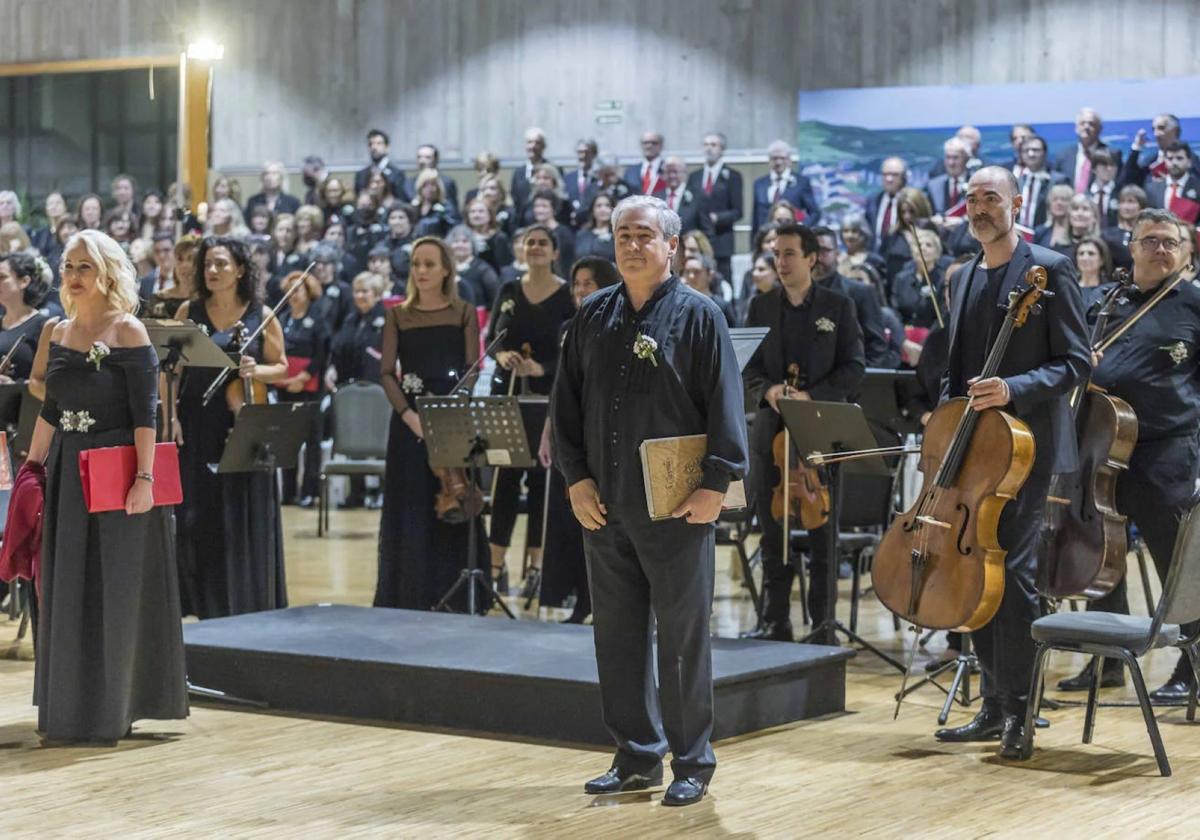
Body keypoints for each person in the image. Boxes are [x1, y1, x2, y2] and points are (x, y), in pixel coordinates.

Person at [553, 194, 748, 806]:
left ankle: (692, 761)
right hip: (604, 504)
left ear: (673, 246)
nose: (632, 246)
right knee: (616, 634)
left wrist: (716, 484)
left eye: (644, 236)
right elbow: (566, 409)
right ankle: (636, 755)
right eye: (622, 235)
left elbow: (725, 407)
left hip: (677, 505)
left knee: (684, 636)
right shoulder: (591, 316)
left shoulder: (699, 315)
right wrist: (576, 478)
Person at [932, 166, 1090, 760]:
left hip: (1027, 448)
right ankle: (992, 704)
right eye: (972, 199)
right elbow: (956, 369)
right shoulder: (965, 275)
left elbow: (1075, 362)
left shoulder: (1049, 268)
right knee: (977, 573)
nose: (980, 208)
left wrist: (1013, 387)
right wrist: (945, 424)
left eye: (991, 198)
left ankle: (1022, 711)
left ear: (1016, 203)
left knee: (1014, 576)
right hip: (972, 449)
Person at [25, 229, 187, 743]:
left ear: (106, 273)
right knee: (68, 584)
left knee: (114, 587)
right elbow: (51, 407)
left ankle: (117, 705)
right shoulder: (57, 330)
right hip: (69, 469)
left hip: (117, 468)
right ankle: (71, 704)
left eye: (84, 268)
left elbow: (148, 415)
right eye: (68, 267)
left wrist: (144, 479)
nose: (72, 277)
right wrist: (32, 466)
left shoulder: (129, 331)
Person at [1055, 209, 1199, 703]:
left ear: (1185, 251)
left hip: (1166, 451)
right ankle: (1106, 657)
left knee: (1177, 564)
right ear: (1131, 246)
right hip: (1099, 445)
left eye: (1171, 242)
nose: (1161, 249)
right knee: (1100, 554)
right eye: (1151, 240)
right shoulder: (1101, 302)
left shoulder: (1194, 305)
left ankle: (1193, 665)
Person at [741, 223, 864, 642]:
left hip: (821, 432)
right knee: (773, 533)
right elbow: (748, 369)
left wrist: (814, 395)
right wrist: (770, 391)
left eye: (790, 253)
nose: (781, 261)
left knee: (821, 533)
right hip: (770, 434)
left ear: (812, 258)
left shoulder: (839, 306)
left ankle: (823, 625)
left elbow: (855, 367)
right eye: (777, 253)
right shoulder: (759, 307)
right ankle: (775, 621)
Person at [172, 236, 290, 619]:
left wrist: (257, 370)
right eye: (207, 264)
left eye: (221, 264)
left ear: (240, 269)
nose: (212, 271)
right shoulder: (189, 311)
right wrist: (170, 417)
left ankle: (248, 600)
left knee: (241, 513)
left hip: (244, 421)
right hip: (196, 420)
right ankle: (204, 603)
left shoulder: (261, 313)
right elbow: (170, 370)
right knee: (198, 514)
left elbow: (283, 367)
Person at [374, 237, 485, 611]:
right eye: (416, 264)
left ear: (446, 270)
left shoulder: (464, 312)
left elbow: (473, 369)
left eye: (429, 264)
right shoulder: (398, 315)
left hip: (451, 418)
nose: (420, 271)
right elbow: (387, 373)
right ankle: (409, 593)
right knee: (411, 504)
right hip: (409, 421)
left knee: (454, 499)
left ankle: (453, 592)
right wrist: (409, 416)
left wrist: (456, 404)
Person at [485, 224, 575, 598]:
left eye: (543, 243)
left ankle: (537, 569)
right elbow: (493, 338)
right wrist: (501, 355)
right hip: (507, 396)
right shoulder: (508, 289)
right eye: (530, 243)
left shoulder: (568, 294)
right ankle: (494, 567)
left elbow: (572, 349)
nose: (535, 247)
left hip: (546, 399)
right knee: (503, 484)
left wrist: (544, 368)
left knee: (541, 484)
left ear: (555, 252)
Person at [537, 257, 621, 622]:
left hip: (602, 434)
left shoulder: (618, 324)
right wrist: (548, 431)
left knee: (599, 520)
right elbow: (561, 387)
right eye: (577, 284)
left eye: (589, 282)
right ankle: (578, 600)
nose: (581, 290)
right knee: (568, 521)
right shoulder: (567, 328)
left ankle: (599, 601)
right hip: (570, 434)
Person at [274, 270, 330, 508]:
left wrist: (304, 376)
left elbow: (323, 352)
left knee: (312, 440)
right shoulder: (283, 318)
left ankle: (310, 491)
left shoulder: (318, 319)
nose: (293, 294)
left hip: (309, 385)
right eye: (290, 290)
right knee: (288, 438)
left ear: (308, 292)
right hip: (286, 384)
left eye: (298, 289)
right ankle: (289, 491)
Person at [812, 226, 898, 368]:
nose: (818, 258)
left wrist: (861, 380)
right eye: (812, 251)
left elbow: (876, 347)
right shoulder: (791, 293)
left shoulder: (861, 292)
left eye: (824, 250)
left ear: (838, 254)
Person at [686, 132, 743, 282]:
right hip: (699, 241)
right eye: (706, 145)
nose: (709, 149)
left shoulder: (733, 176)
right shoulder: (694, 177)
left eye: (713, 145)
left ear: (722, 149)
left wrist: (718, 218)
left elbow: (738, 211)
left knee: (723, 282)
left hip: (721, 240)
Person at [752, 140, 820, 241]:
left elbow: (815, 213)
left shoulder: (801, 183)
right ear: (769, 160)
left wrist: (800, 228)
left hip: (792, 239)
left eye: (782, 158)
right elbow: (755, 218)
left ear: (789, 160)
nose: (778, 162)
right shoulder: (759, 184)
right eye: (775, 158)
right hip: (766, 241)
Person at [0, 252, 52, 383]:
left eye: (2, 277)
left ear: (24, 281)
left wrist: (13, 385)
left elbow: (49, 381)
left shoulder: (44, 326)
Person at [891, 226, 951, 328]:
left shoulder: (943, 279)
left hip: (933, 336)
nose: (923, 248)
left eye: (928, 245)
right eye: (918, 245)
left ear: (937, 252)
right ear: (912, 251)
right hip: (905, 336)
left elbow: (944, 314)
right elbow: (895, 311)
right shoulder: (901, 279)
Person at [1055, 108, 1122, 192]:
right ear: (1076, 128)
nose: (1086, 127)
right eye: (1082, 124)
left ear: (1100, 129)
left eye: (1091, 124)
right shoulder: (1063, 155)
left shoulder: (1111, 154)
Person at [1016, 136, 1068, 229]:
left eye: (1035, 150)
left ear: (1044, 153)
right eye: (1026, 150)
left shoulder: (1058, 180)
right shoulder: (1017, 180)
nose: (1031, 154)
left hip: (1045, 235)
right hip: (1020, 234)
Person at [446, 224, 500, 311]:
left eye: (465, 241)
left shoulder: (483, 269)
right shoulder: (443, 269)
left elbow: (496, 299)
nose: (460, 245)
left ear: (472, 245)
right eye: (456, 241)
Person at [1146, 142, 1200, 225]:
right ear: (1165, 162)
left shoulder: (1198, 188)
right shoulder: (1152, 189)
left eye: (1179, 158)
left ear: (1189, 162)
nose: (1174, 163)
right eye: (1170, 159)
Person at [682, 253, 736, 327]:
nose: (691, 276)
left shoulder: (721, 306)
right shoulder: (680, 305)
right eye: (687, 272)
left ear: (710, 275)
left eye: (696, 272)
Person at [865, 157, 908, 249]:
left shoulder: (910, 202)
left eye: (894, 175)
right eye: (885, 174)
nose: (889, 179)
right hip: (875, 259)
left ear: (904, 177)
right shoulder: (873, 201)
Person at [463, 196, 513, 272]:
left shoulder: (499, 238)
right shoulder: (463, 237)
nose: (476, 215)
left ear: (490, 215)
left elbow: (504, 266)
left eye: (481, 211)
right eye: (472, 212)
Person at [354, 128, 406, 201]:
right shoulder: (361, 174)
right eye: (370, 144)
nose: (374, 147)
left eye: (379, 143)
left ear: (387, 148)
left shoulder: (397, 174)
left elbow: (400, 200)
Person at [511, 127, 552, 218]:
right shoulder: (518, 172)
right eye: (529, 142)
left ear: (543, 146)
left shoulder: (553, 170)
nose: (533, 146)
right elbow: (515, 200)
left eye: (537, 143)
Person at [652, 156, 700, 233]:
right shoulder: (655, 198)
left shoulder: (698, 197)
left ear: (684, 173)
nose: (672, 176)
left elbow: (707, 231)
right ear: (663, 175)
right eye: (668, 172)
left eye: (675, 172)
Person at [405, 143, 459, 212]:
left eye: (427, 157)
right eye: (419, 157)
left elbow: (453, 209)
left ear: (436, 160)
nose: (422, 161)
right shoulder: (409, 183)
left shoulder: (447, 182)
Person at [1072, 235, 1113, 309]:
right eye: (1081, 253)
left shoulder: (1109, 290)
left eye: (1091, 253)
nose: (1085, 258)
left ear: (1102, 260)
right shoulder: (1070, 288)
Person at [574, 192, 616, 263]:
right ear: (592, 210)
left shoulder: (617, 234)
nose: (603, 209)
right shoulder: (582, 235)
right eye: (599, 206)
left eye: (607, 205)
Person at [564, 138, 599, 224]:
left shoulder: (599, 178)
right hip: (572, 226)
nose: (583, 156)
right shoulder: (567, 178)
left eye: (587, 152)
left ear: (594, 154)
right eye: (580, 152)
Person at [625, 131, 666, 196]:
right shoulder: (631, 171)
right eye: (646, 143)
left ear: (661, 146)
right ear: (641, 145)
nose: (649, 146)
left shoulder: (668, 169)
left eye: (654, 143)